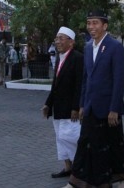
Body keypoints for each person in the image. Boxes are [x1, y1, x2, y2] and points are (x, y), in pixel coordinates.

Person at [65, 11, 124, 188]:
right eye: (89, 23)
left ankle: (121, 179)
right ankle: (77, 182)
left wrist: (114, 108)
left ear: (105, 25)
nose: (91, 27)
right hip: (91, 106)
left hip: (109, 108)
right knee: (85, 143)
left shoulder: (114, 47)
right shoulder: (87, 47)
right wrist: (82, 104)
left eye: (95, 23)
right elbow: (86, 79)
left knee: (113, 146)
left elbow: (119, 80)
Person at [42, 27, 83, 179]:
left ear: (71, 42)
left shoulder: (78, 58)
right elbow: (55, 83)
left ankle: (79, 169)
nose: (57, 42)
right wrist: (48, 103)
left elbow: (80, 84)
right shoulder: (60, 57)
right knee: (60, 138)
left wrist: (76, 107)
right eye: (56, 39)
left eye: (61, 39)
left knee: (70, 137)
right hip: (58, 107)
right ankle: (68, 167)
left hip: (70, 108)